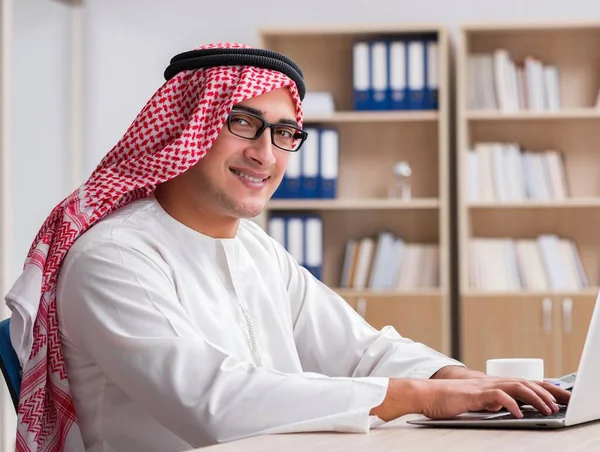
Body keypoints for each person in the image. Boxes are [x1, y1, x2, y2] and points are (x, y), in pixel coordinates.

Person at [4, 43, 570, 452]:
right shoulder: (112, 259)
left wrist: (464, 383)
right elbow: (214, 404)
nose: (266, 154)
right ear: (187, 129)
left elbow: (361, 351)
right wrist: (415, 397)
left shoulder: (256, 250)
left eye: (284, 133)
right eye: (243, 124)